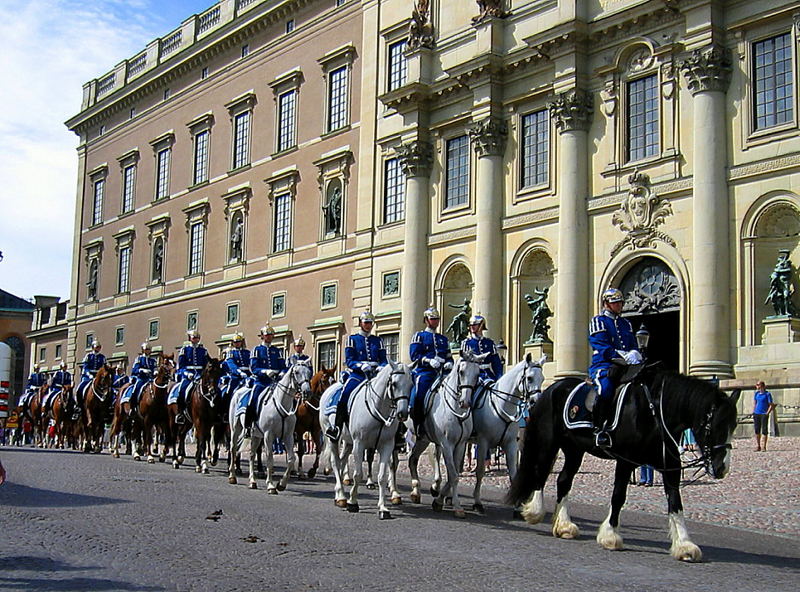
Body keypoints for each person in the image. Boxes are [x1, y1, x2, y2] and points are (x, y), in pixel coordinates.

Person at [588, 288, 642, 448]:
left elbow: (632, 343)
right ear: (606, 304)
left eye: (620, 302)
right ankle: (599, 428)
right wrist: (622, 355)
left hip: (628, 367)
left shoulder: (626, 324)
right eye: (615, 303)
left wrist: (635, 353)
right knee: (605, 389)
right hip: (604, 365)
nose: (619, 305)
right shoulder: (598, 321)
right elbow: (601, 345)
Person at [326, 310, 387, 440]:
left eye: (370, 323)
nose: (368, 325)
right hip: (358, 376)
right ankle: (336, 427)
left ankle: (397, 431)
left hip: (375, 375)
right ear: (360, 323)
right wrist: (361, 365)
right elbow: (349, 361)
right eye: (366, 322)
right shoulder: (352, 339)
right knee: (345, 395)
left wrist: (381, 367)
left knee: (391, 394)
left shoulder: (377, 341)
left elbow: (383, 359)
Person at [409, 305, 453, 436]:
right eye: (433, 319)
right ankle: (419, 424)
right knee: (419, 394)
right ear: (426, 320)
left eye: (437, 319)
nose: (435, 321)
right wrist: (429, 361)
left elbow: (449, 356)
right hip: (425, 372)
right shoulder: (419, 336)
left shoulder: (443, 339)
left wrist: (449, 363)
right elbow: (414, 356)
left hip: (442, 373)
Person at [244, 325, 287, 429]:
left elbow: (283, 366)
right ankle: (249, 425)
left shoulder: (277, 351)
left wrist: (282, 373)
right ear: (262, 336)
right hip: (261, 382)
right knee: (253, 399)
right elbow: (253, 368)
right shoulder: (257, 350)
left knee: (290, 399)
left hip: (276, 383)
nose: (269, 337)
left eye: (271, 335)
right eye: (267, 335)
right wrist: (265, 371)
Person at [170, 330, 209, 423]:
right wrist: (187, 373)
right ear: (190, 339)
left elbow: (206, 364)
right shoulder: (185, 350)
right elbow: (181, 366)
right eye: (193, 338)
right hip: (188, 376)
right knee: (183, 390)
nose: (195, 339)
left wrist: (204, 374)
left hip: (200, 375)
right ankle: (180, 413)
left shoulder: (203, 351)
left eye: (197, 338)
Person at [461, 313, 503, 387]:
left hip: (488, 375)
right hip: (472, 376)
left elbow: (496, 363)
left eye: (474, 325)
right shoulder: (466, 343)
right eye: (471, 325)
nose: (472, 327)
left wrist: (499, 377)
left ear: (481, 325)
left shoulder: (490, 343)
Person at [221, 333, 250, 419]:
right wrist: (239, 372)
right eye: (235, 342)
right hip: (236, 377)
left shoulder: (247, 353)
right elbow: (231, 365)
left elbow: (251, 363)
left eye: (239, 342)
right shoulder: (231, 353)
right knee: (228, 391)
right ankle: (225, 412)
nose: (237, 343)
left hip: (248, 375)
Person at [76, 341, 107, 409]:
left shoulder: (102, 357)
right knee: (80, 388)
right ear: (93, 347)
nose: (98, 348)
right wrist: (89, 374)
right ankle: (78, 405)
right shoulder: (88, 356)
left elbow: (104, 368)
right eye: (96, 347)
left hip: (98, 377)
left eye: (99, 347)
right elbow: (85, 367)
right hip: (88, 377)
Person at [128, 344, 156, 410]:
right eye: (146, 349)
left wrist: (156, 371)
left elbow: (155, 368)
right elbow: (134, 370)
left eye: (149, 349)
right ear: (143, 350)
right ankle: (132, 406)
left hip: (151, 379)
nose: (148, 351)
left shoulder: (153, 360)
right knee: (136, 389)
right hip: (142, 379)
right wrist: (142, 370)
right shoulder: (139, 359)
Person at [753, 380, 776, 452]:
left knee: (764, 430)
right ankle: (758, 445)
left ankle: (764, 446)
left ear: (762, 386)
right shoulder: (756, 394)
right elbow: (755, 403)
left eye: (758, 385)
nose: (756, 386)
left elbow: (771, 404)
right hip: (757, 413)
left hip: (763, 414)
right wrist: (753, 411)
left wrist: (767, 413)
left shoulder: (767, 394)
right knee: (757, 430)